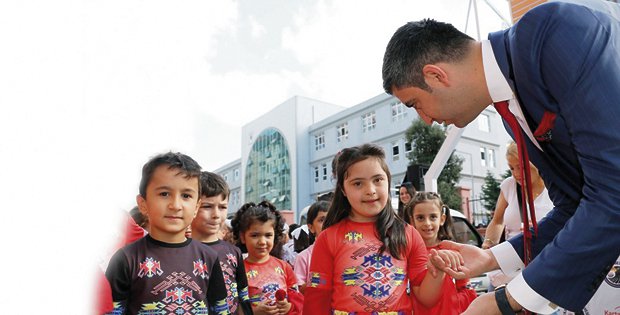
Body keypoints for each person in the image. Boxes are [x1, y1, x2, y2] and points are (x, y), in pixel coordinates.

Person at [382, 1, 620, 313]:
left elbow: (613, 191)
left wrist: (506, 301)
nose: (425, 120)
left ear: (436, 75)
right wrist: (492, 258)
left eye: (414, 103)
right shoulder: (510, 109)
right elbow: (572, 206)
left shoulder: (558, 32)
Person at [302, 143, 446, 314]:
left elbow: (426, 298)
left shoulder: (408, 234)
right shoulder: (328, 238)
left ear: (388, 181)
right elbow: (317, 298)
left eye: (377, 180)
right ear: (343, 189)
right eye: (357, 184)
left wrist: (439, 270)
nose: (370, 190)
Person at [105, 152, 230, 315]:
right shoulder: (126, 259)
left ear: (196, 206)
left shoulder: (208, 257)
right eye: (164, 194)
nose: (176, 205)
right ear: (143, 204)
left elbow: (220, 309)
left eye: (186, 196)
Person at [482, 142, 554, 289]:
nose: (515, 174)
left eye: (520, 167)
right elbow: (497, 221)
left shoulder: (554, 188)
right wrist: (488, 243)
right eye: (511, 168)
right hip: (511, 265)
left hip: (545, 264)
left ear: (536, 163)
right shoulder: (509, 185)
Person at [404, 192, 477, 314]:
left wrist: (452, 303)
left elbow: (464, 288)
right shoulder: (407, 253)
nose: (427, 223)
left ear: (442, 219)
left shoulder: (451, 250)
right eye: (420, 218)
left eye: (433, 217)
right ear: (412, 221)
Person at [190, 171, 252, 315]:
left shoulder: (233, 252)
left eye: (222, 207)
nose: (216, 214)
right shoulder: (180, 251)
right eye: (207, 206)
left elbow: (242, 297)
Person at [231, 201, 303, 315]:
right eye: (255, 235)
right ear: (243, 237)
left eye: (268, 235)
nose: (262, 242)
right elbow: (231, 305)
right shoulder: (236, 270)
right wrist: (252, 312)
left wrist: (289, 307)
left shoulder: (284, 267)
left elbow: (297, 299)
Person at [292, 200, 329, 294]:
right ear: (311, 227)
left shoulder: (343, 253)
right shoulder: (303, 257)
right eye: (322, 220)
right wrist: (319, 278)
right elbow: (299, 290)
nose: (328, 223)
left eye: (331, 218)